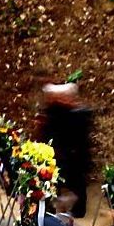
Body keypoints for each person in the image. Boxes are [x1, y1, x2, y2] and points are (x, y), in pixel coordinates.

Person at [39, 83, 94, 217]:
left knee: (77, 183)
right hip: (62, 154)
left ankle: (77, 209)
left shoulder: (78, 114)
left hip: (74, 155)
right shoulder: (54, 112)